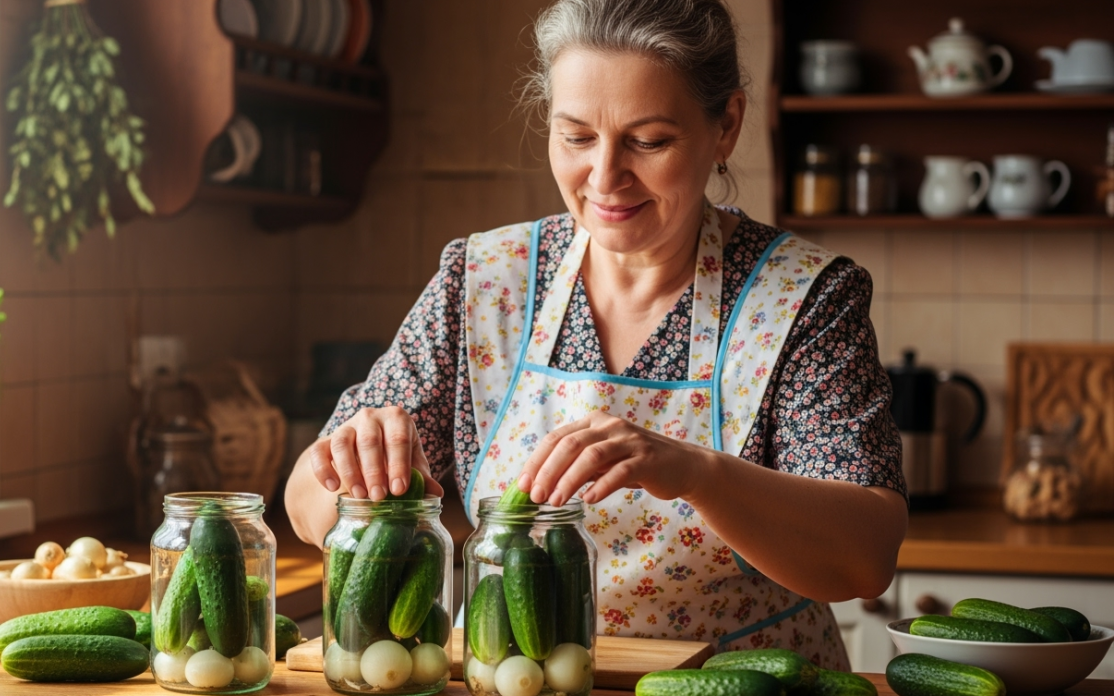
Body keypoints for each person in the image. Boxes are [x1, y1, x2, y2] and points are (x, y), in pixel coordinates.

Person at [285, 0, 906, 668]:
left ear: (726, 124)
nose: (605, 177)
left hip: (745, 683)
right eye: (577, 137)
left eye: (649, 141)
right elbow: (304, 503)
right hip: (516, 678)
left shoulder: (804, 299)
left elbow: (864, 560)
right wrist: (354, 473)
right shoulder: (485, 281)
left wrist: (698, 473)